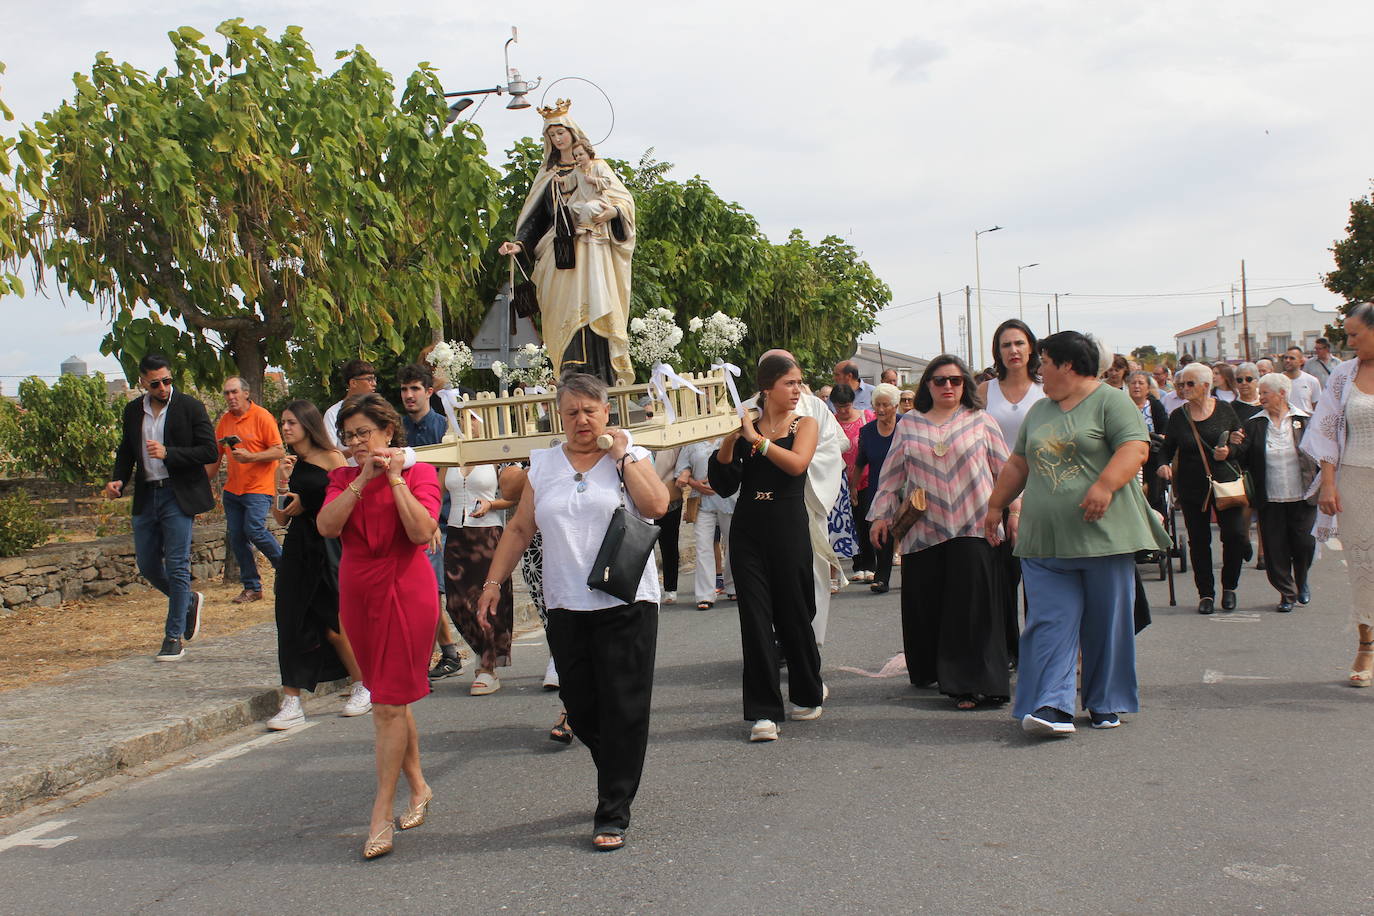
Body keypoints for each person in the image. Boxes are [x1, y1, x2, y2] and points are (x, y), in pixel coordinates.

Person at [479, 372, 668, 851]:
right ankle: (619, 771)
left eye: (590, 410)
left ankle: (613, 810)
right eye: (572, 413)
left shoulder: (632, 456)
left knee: (624, 707)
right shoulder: (542, 465)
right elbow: (521, 530)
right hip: (566, 603)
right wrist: (493, 583)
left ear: (606, 411)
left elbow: (657, 506)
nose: (582, 420)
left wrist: (620, 454)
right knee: (582, 709)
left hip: (627, 602)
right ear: (559, 417)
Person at [985, 330, 1169, 737]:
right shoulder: (1041, 410)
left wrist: (1104, 485)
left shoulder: (1111, 401)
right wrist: (996, 504)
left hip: (1103, 539)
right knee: (1049, 622)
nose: (1038, 371)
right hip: (1044, 539)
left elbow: (1135, 448)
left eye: (1043, 363)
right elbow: (1019, 463)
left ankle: (1105, 701)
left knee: (1106, 624)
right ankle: (1052, 705)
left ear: (1067, 365)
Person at [316, 394, 441, 860]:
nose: (355, 443)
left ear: (388, 433)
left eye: (363, 433)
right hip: (358, 594)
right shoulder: (340, 478)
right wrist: (360, 480)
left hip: (406, 592)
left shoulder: (419, 473)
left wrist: (392, 479)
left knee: (387, 703)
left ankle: (380, 812)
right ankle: (420, 786)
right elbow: (327, 527)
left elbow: (420, 531)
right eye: (348, 436)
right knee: (390, 695)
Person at [869, 355, 1010, 709]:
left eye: (956, 380)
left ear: (965, 384)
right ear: (927, 385)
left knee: (970, 608)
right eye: (940, 380)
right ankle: (931, 668)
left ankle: (971, 684)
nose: (948, 386)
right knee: (928, 603)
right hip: (924, 528)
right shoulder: (909, 424)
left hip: (975, 523)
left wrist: (1016, 510)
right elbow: (892, 474)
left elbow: (1005, 471)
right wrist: (881, 516)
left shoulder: (982, 421)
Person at [710, 353, 826, 739]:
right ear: (767, 388)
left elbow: (796, 464)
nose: (797, 390)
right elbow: (725, 484)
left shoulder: (804, 423)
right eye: (789, 383)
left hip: (787, 526)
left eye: (798, 383)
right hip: (748, 529)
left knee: (795, 613)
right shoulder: (747, 427)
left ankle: (808, 691)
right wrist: (729, 441)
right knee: (755, 620)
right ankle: (763, 712)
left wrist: (755, 440)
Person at [497, 100, 636, 386]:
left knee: (595, 306)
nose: (557, 139)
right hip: (557, 254)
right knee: (562, 316)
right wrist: (519, 246)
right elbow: (535, 220)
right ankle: (570, 378)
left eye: (561, 133)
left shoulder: (597, 168)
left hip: (592, 251)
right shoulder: (547, 177)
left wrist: (614, 212)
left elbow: (623, 201)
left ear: (573, 134)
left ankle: (601, 377)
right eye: (551, 135)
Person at [265, 400, 371, 730]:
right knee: (290, 620)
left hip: (328, 546)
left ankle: (362, 684)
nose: (285, 428)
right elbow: (280, 517)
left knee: (335, 623)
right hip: (298, 547)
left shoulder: (331, 459)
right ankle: (292, 699)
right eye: (283, 422)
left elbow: (346, 500)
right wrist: (282, 484)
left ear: (307, 424)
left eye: (291, 422)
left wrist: (309, 503)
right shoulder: (287, 464)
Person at [105, 354, 217, 661]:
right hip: (146, 494)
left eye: (167, 380)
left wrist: (170, 453)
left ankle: (173, 637)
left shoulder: (190, 407)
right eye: (155, 383)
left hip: (177, 494)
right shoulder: (133, 411)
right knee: (148, 565)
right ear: (142, 382)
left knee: (178, 565)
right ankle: (189, 602)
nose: (163, 388)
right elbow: (127, 450)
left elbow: (208, 450)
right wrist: (117, 479)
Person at [1302, 302, 1374, 686]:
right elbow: (1325, 429)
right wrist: (1328, 482)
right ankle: (1367, 648)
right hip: (1357, 480)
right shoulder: (1345, 375)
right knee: (1364, 567)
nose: (1349, 342)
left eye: (1354, 334)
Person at [978, 318, 1047, 665]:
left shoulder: (1046, 387)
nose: (1013, 350)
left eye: (1019, 343)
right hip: (996, 496)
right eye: (1006, 345)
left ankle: (1040, 648)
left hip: (1043, 493)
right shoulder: (984, 392)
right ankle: (1008, 649)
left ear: (1031, 347)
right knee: (1002, 579)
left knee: (1041, 579)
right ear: (998, 352)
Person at [1156, 362, 1247, 614]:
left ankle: (1229, 586)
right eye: (1182, 384)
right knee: (1199, 541)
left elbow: (1241, 444)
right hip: (1191, 486)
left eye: (1190, 384)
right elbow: (1166, 449)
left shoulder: (1225, 410)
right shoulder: (1178, 416)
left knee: (1234, 536)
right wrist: (1163, 465)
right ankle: (1205, 593)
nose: (1184, 388)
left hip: (1224, 484)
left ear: (1206, 386)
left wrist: (1229, 451)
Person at [397, 363, 465, 683]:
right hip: (408, 518)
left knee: (430, 591)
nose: (408, 395)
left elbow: (442, 475)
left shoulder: (443, 426)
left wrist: (432, 519)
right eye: (404, 390)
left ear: (429, 392)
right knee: (423, 591)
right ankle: (445, 652)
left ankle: (432, 657)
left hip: (441, 519)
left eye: (414, 389)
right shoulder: (397, 430)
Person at [1232, 373, 1317, 613]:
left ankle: (1301, 581)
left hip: (1303, 494)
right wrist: (1233, 446)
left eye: (1265, 393)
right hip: (1270, 496)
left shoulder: (1304, 419)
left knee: (1304, 543)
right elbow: (1243, 457)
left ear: (1281, 393)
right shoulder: (1255, 423)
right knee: (1275, 547)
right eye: (1260, 393)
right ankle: (1286, 593)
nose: (1261, 397)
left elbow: (1321, 455)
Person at [210, 376, 285, 604]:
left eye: (234, 392)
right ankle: (252, 587)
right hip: (233, 489)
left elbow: (279, 451)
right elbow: (216, 455)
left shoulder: (262, 416)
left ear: (246, 393)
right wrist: (203, 481)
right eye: (226, 393)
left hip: (259, 487)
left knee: (254, 529)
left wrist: (251, 457)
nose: (230, 397)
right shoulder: (224, 421)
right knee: (237, 537)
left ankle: (287, 567)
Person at [676, 438, 737, 609]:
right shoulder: (692, 440)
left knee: (733, 543)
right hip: (702, 500)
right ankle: (705, 595)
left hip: (729, 498)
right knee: (703, 547)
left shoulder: (728, 436)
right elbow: (682, 468)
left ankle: (733, 586)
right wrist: (694, 483)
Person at [854, 384, 900, 593]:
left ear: (896, 406)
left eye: (885, 405)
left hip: (905, 487)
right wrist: (853, 487)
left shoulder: (906, 426)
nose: (880, 409)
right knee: (882, 534)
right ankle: (882, 578)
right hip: (878, 489)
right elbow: (860, 462)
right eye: (876, 405)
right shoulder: (868, 431)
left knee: (907, 532)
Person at [831, 383, 875, 582]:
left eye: (846, 406)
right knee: (851, 523)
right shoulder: (830, 422)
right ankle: (858, 565)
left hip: (865, 478)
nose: (842, 411)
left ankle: (870, 564)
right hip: (840, 481)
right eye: (838, 406)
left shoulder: (866, 417)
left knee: (866, 520)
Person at [1126, 370, 1169, 516]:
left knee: (1154, 491)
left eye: (1141, 383)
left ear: (1148, 388)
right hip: (1128, 455)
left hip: (1152, 455)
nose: (1136, 386)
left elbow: (1164, 428)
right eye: (1133, 383)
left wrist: (1160, 436)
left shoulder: (1154, 406)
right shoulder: (1122, 405)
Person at [322, 360, 379, 448]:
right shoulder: (333, 414)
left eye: (374, 379)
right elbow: (330, 454)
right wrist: (359, 448)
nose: (374, 384)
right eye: (369, 379)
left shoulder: (377, 409)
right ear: (353, 383)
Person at [1282, 346, 1322, 413]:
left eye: (1292, 358)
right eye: (1286, 358)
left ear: (1301, 361)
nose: (1287, 360)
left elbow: (1317, 407)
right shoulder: (1276, 381)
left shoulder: (1312, 381)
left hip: (1305, 421)